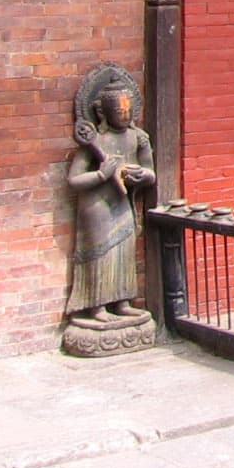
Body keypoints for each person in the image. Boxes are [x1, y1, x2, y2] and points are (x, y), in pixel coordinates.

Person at [65, 75, 156, 326]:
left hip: (121, 200)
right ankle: (97, 306)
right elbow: (74, 180)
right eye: (119, 111)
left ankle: (123, 302)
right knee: (101, 253)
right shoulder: (94, 141)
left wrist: (142, 175)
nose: (125, 115)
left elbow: (150, 172)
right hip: (97, 206)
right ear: (104, 111)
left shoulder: (138, 137)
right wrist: (100, 174)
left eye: (128, 110)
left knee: (124, 251)